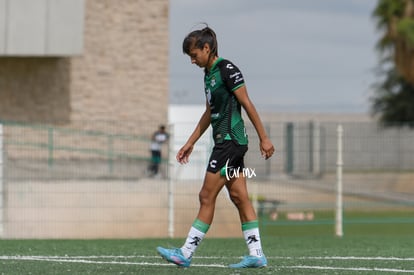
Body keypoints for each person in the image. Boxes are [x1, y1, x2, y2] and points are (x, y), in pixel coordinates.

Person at [157, 25, 275, 269]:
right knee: (239, 196)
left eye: (193, 55)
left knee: (205, 195)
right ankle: (256, 254)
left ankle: (185, 253)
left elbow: (247, 103)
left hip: (231, 143)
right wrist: (190, 143)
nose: (192, 60)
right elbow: (210, 112)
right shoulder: (208, 74)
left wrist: (264, 137)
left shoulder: (227, 70)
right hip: (226, 143)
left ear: (207, 48)